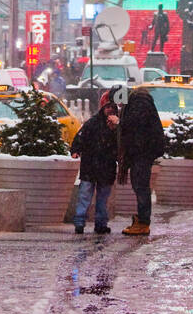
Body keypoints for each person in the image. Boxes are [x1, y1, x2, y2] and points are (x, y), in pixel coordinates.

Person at [117, 87, 166, 235]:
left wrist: (120, 121)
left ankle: (143, 223)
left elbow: (136, 123)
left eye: (119, 104)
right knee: (139, 185)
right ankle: (141, 220)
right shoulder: (137, 100)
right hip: (141, 151)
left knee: (141, 186)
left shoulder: (139, 101)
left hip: (143, 152)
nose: (119, 107)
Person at [71, 93, 121, 234]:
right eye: (108, 107)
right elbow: (80, 138)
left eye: (112, 107)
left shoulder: (116, 126)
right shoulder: (92, 123)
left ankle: (98, 223)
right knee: (87, 196)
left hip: (100, 166)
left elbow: (121, 143)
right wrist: (76, 149)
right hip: (94, 166)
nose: (110, 110)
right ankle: (82, 222)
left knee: (100, 198)